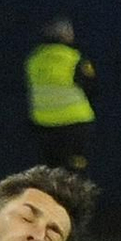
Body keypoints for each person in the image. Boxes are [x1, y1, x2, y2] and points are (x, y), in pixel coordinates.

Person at [26, 17, 95, 173]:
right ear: (65, 36)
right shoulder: (75, 58)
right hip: (75, 122)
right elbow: (91, 86)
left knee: (52, 171)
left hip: (44, 123)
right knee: (76, 170)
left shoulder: (33, 59)